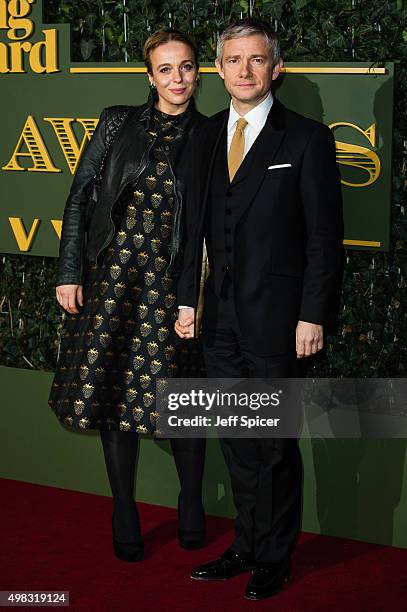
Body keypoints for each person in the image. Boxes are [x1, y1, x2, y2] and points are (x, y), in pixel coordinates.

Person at [175, 19, 344, 601]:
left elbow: (325, 238)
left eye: (255, 60)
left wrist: (312, 315)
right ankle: (246, 545)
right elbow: (190, 228)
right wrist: (185, 301)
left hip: (279, 322)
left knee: (273, 444)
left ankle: (275, 555)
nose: (243, 70)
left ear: (277, 68)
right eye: (232, 59)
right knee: (236, 440)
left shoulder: (307, 139)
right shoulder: (202, 138)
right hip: (217, 321)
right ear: (218, 69)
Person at [48, 29, 207, 562]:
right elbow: (79, 200)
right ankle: (123, 508)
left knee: (181, 399)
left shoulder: (212, 135)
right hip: (112, 281)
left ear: (198, 72)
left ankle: (191, 502)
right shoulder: (117, 122)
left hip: (171, 286)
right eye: (166, 69)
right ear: (150, 76)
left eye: (185, 67)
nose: (177, 79)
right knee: (113, 394)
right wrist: (70, 271)